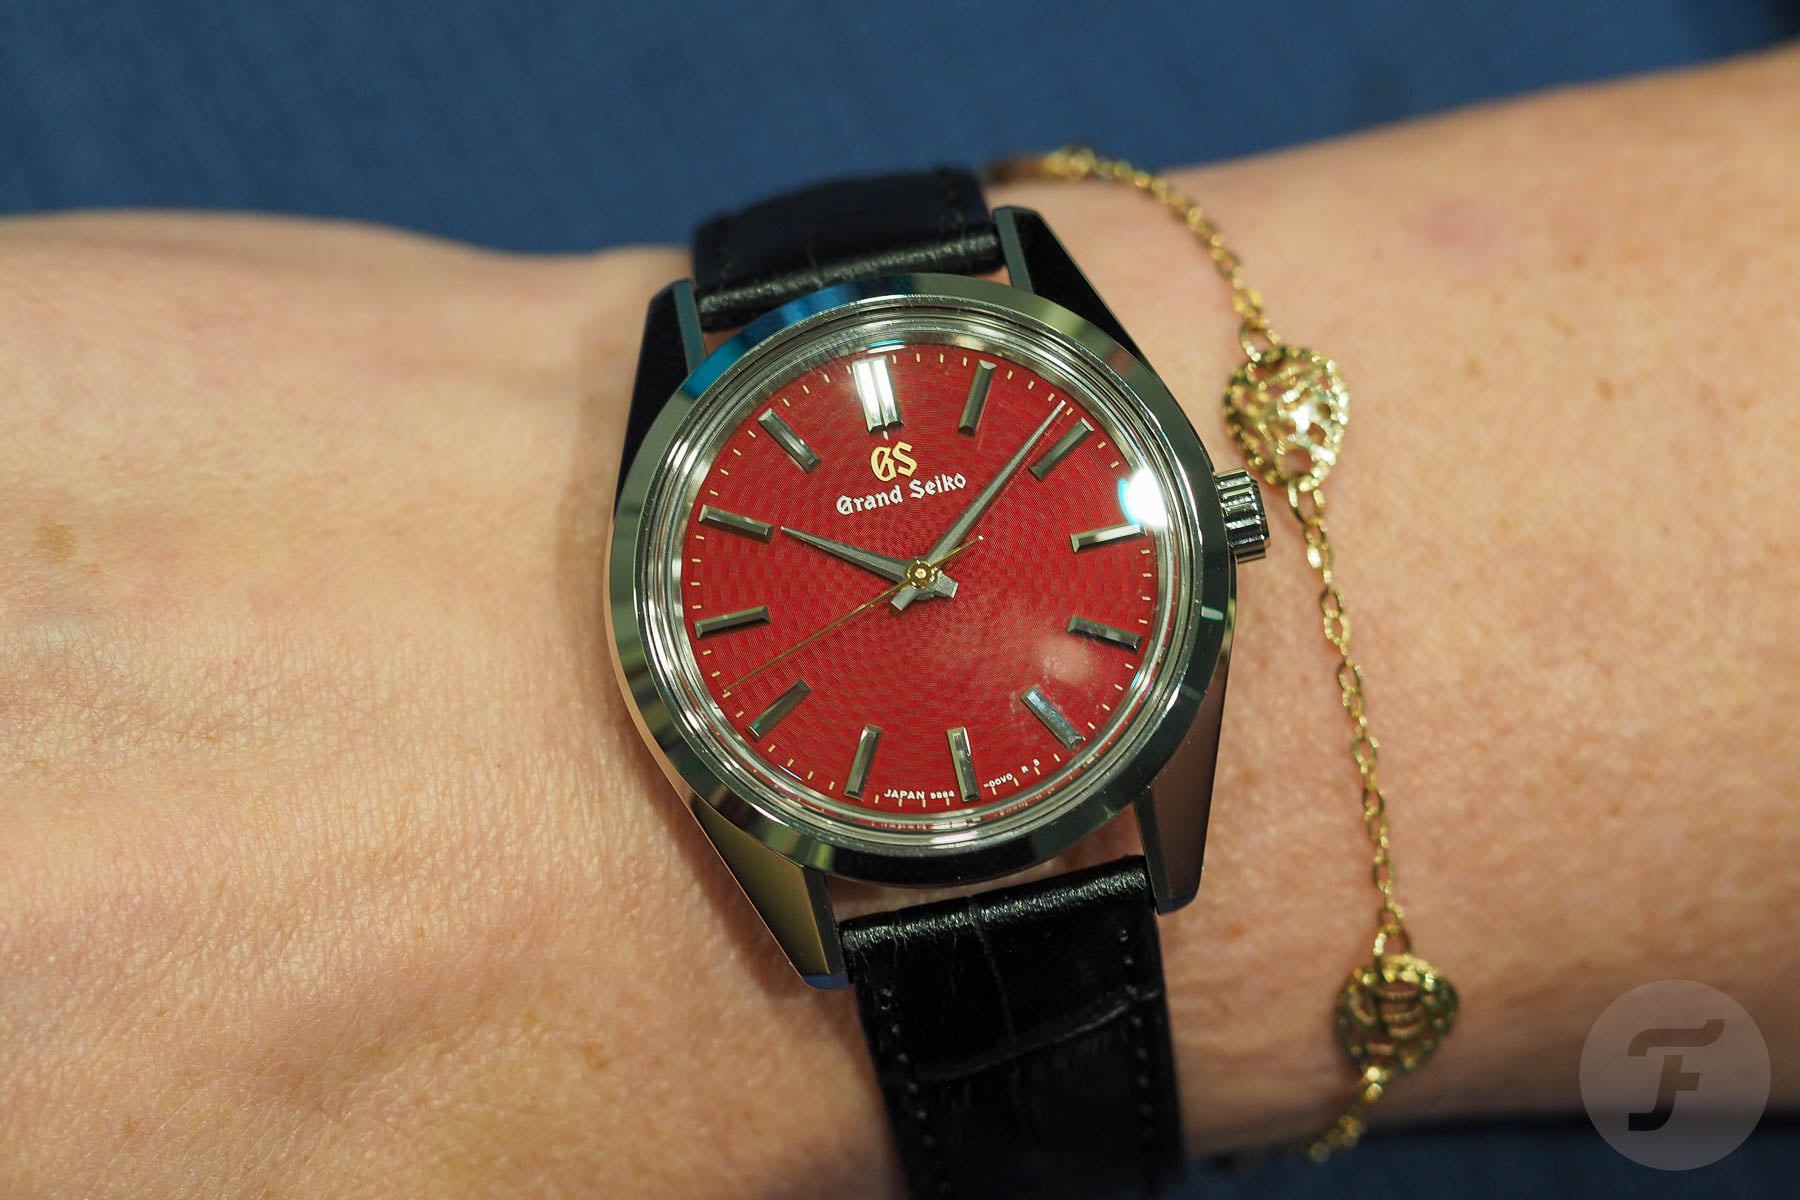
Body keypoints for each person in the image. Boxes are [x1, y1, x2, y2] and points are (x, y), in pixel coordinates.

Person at [2, 45, 1794, 1199]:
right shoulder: (722, 480)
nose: (921, 581)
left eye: (928, 568)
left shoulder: (1142, 579)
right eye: (902, 572)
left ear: (1213, 520)